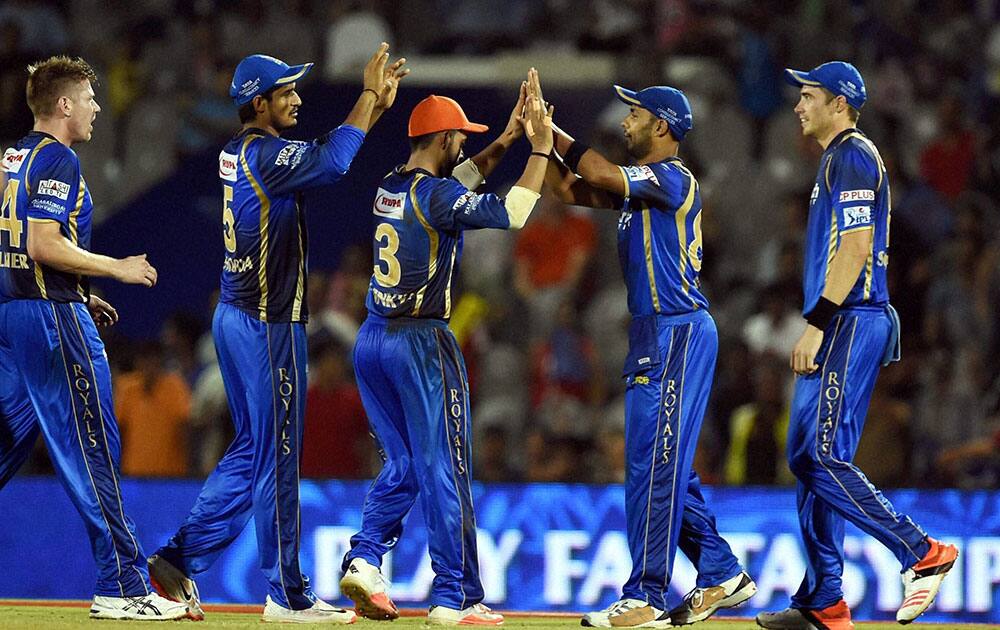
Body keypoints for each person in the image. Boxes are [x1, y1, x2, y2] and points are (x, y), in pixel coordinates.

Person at [145, 44, 408, 624]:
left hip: (236, 318)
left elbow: (322, 157)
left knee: (253, 450)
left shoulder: (237, 151)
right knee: (279, 459)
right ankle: (287, 594)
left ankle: (178, 559)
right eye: (286, 91)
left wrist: (372, 111)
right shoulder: (266, 153)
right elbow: (334, 164)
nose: (296, 98)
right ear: (258, 102)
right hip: (267, 325)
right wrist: (367, 99)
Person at [337, 71, 552, 626]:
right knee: (446, 468)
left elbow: (458, 180)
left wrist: (504, 140)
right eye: (460, 136)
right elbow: (513, 213)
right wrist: (541, 149)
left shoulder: (391, 184)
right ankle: (454, 596)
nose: (464, 143)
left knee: (403, 463)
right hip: (420, 340)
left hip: (371, 340)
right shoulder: (439, 195)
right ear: (441, 140)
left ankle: (364, 557)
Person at [543, 78, 756, 627]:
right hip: (653, 334)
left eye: (635, 113)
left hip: (677, 331)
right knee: (662, 468)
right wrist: (538, 139)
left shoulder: (669, 176)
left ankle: (647, 595)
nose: (624, 121)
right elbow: (568, 192)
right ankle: (719, 571)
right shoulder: (643, 187)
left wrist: (557, 136)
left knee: (655, 468)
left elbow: (597, 173)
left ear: (661, 126)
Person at [756, 61, 958, 630]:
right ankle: (824, 599)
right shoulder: (837, 158)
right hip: (846, 318)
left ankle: (922, 552)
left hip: (848, 318)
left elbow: (856, 247)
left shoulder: (851, 154)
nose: (798, 106)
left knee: (819, 455)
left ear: (839, 103)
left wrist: (818, 321)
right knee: (806, 457)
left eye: (808, 95)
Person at [0, 55, 188, 620]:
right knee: (93, 452)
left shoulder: (13, 155)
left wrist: (77, 291)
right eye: (87, 98)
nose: (96, 107)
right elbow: (42, 244)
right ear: (63, 105)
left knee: (5, 445)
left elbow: (15, 249)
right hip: (52, 322)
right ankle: (123, 587)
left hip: (14, 319)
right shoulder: (58, 155)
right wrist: (115, 268)